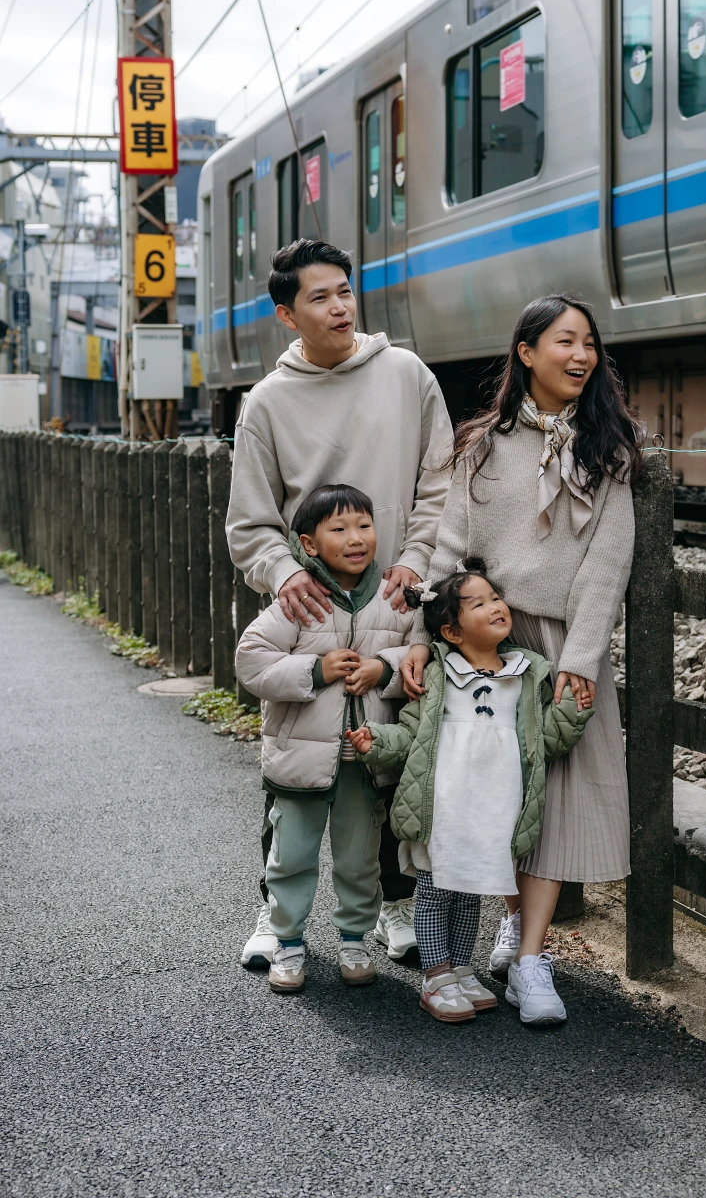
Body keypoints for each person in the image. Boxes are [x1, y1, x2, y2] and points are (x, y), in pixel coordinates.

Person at [399, 293, 643, 1026]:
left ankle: (531, 959)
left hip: (563, 654)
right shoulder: (480, 445)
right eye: (565, 341)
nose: (581, 356)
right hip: (487, 645)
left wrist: (583, 657)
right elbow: (447, 551)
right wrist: (420, 638)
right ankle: (505, 926)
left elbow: (609, 563)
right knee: (494, 796)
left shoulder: (609, 450)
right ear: (526, 352)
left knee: (559, 802)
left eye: (590, 344)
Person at [227, 239, 452, 970]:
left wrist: (417, 563)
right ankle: (274, 909)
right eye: (320, 297)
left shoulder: (406, 375)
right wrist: (276, 570)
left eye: (346, 291)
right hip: (309, 612)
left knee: (389, 760)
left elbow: (439, 486)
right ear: (287, 314)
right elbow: (251, 521)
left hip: (397, 599)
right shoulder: (266, 403)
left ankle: (387, 907)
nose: (340, 307)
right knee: (293, 765)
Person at [347, 558, 592, 1023]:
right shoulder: (439, 678)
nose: (496, 606)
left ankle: (461, 967)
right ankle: (435, 974)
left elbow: (548, 742)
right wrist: (374, 742)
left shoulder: (527, 675)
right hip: (443, 810)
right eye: (478, 603)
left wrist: (573, 712)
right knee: (438, 890)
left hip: (495, 810)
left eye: (496, 598)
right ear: (453, 633)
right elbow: (410, 734)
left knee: (471, 892)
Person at [234, 484, 416, 993]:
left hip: (366, 756)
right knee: (290, 855)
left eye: (364, 526)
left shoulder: (393, 600)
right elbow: (251, 661)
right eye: (339, 529)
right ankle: (288, 941)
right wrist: (314, 669)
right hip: (301, 761)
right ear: (309, 545)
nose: (356, 538)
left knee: (360, 856)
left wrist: (385, 670)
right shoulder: (298, 603)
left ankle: (354, 938)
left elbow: (423, 658)